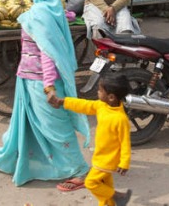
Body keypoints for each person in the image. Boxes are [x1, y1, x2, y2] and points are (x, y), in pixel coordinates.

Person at [0, 0, 91, 189]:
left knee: (55, 127)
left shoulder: (39, 15)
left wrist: (49, 87)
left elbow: (48, 54)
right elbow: (65, 19)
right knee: (23, 124)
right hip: (28, 78)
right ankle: (7, 157)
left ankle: (80, 170)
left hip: (42, 82)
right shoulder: (52, 10)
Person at [48, 72, 132, 206]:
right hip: (100, 156)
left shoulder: (120, 119)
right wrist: (63, 101)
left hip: (108, 160)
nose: (98, 92)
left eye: (100, 90)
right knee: (104, 186)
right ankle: (110, 202)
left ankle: (118, 196)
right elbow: (84, 105)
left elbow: (125, 142)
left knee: (91, 182)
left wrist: (124, 162)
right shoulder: (102, 106)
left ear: (111, 97)